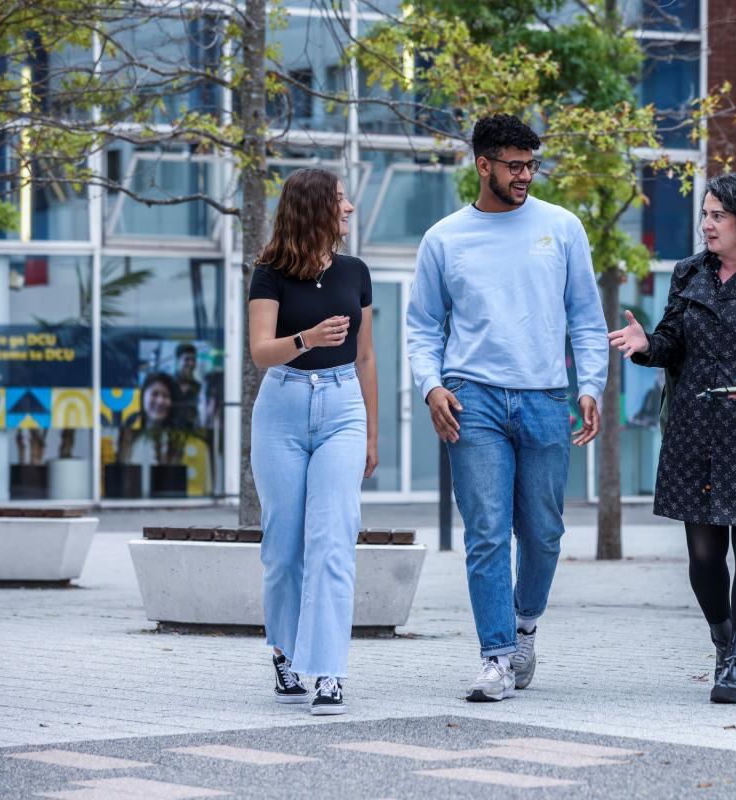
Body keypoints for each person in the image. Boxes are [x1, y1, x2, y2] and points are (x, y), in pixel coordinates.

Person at [407, 114, 607, 702]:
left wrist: (590, 385)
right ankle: (495, 655)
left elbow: (586, 320)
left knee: (543, 533)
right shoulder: (445, 238)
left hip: (546, 397)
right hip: (473, 399)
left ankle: (524, 626)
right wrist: (430, 385)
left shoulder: (562, 227)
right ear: (483, 164)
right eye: (513, 165)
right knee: (487, 533)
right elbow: (421, 327)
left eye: (530, 165)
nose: (524, 175)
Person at [609, 172, 736, 705]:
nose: (706, 224)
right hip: (695, 432)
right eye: (704, 214)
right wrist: (646, 344)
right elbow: (673, 341)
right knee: (703, 554)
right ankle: (722, 641)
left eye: (716, 215)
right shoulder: (688, 273)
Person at [247, 167, 378, 716]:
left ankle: (327, 672)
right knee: (284, 545)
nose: (348, 209)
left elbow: (366, 355)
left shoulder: (355, 272)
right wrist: (307, 339)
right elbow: (260, 352)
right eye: (341, 200)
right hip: (282, 407)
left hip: (343, 407)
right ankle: (284, 650)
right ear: (315, 207)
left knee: (333, 538)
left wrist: (371, 430)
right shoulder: (270, 271)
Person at [173, 343, 201, 429]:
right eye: (187, 359)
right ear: (178, 361)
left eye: (193, 360)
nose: (191, 363)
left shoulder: (199, 388)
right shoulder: (167, 385)